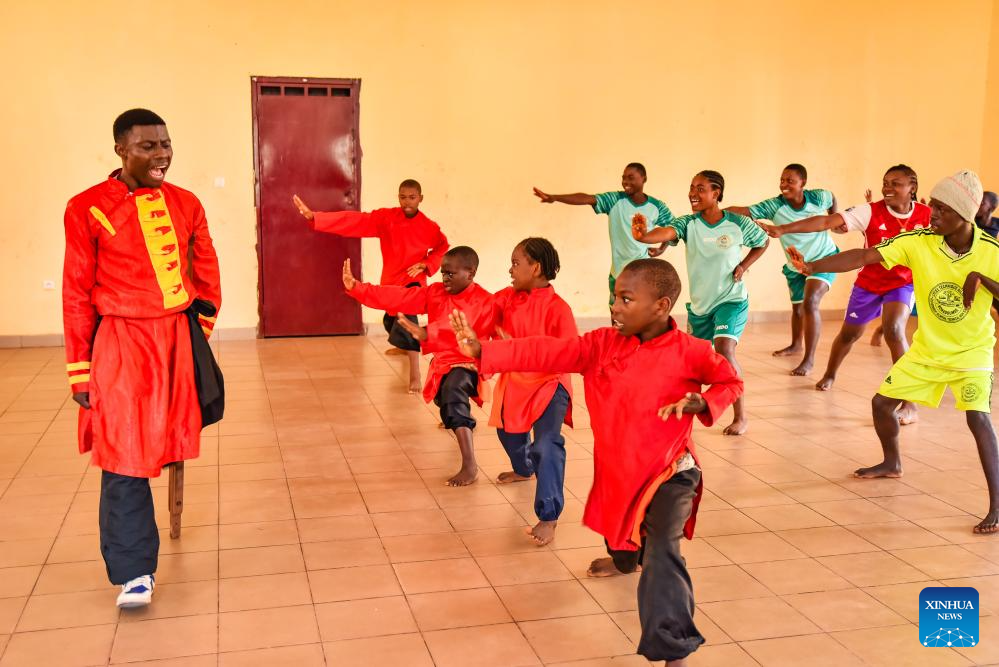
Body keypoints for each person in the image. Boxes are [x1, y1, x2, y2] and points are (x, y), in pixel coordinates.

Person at [449, 258, 742, 665]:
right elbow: (548, 350)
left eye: (626, 299)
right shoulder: (601, 345)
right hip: (619, 474)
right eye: (613, 298)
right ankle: (624, 560)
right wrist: (486, 350)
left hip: (671, 471)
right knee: (623, 544)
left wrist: (705, 401)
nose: (615, 307)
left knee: (662, 553)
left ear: (661, 305)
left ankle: (674, 648)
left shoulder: (692, 352)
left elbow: (731, 381)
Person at [63, 108, 222, 608]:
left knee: (172, 435)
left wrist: (200, 331)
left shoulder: (186, 203)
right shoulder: (87, 207)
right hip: (122, 344)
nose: (162, 155)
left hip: (177, 337)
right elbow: (75, 292)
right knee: (123, 452)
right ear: (120, 150)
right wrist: (80, 370)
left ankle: (160, 530)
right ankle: (135, 571)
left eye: (166, 145)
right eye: (149, 146)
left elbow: (207, 268)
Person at [788, 170, 999, 534]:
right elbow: (865, 255)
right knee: (881, 403)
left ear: (963, 214)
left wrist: (980, 279)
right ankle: (892, 462)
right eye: (932, 208)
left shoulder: (990, 252)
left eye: (940, 211)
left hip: (972, 353)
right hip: (928, 350)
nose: (930, 216)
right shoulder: (920, 241)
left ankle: (997, 506)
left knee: (977, 419)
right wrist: (813, 267)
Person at [760, 165, 927, 425]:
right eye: (885, 183)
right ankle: (829, 373)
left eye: (896, 183)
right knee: (849, 334)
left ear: (912, 187)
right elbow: (827, 222)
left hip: (902, 283)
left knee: (894, 330)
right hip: (870, 283)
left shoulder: (927, 216)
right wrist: (784, 229)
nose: (888, 188)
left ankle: (909, 404)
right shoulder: (871, 211)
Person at [341, 247, 495, 486]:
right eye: (443, 273)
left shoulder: (483, 300)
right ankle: (462, 419)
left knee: (454, 393)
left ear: (471, 273)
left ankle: (470, 465)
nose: (444, 278)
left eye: (451, 274)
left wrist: (426, 333)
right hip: (443, 362)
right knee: (446, 404)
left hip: (471, 363)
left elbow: (456, 329)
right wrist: (357, 288)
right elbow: (399, 296)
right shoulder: (435, 292)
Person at [632, 170, 769, 435]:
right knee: (693, 361)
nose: (693, 194)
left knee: (724, 348)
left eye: (700, 188)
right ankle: (682, 409)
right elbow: (666, 232)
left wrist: (743, 265)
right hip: (700, 306)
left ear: (716, 193)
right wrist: (643, 236)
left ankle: (741, 416)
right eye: (691, 188)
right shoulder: (688, 224)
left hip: (731, 299)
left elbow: (763, 242)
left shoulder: (738, 223)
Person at [293, 180, 449, 394]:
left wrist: (427, 264)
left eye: (412, 197)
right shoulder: (387, 219)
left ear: (421, 198)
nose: (407, 202)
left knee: (408, 320)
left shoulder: (429, 227)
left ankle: (415, 373)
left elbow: (443, 247)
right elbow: (354, 221)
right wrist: (316, 218)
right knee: (391, 321)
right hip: (391, 280)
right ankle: (403, 347)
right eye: (403, 197)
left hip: (414, 282)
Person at [492, 238, 577, 545]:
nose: (510, 270)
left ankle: (548, 515)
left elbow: (568, 353)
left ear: (536, 267)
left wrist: (517, 348)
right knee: (508, 435)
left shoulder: (558, 308)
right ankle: (523, 469)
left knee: (545, 445)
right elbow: (479, 313)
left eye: (516, 263)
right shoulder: (507, 298)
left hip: (549, 384)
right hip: (515, 382)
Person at [726, 164, 838, 375]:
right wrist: (716, 210)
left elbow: (832, 198)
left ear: (803, 183)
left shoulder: (818, 197)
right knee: (797, 308)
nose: (784, 185)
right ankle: (796, 345)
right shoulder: (774, 205)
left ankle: (809, 360)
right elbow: (745, 211)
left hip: (825, 258)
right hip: (795, 264)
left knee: (810, 301)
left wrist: (834, 219)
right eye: (782, 180)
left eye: (790, 181)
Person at [532, 163, 673, 305]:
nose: (626, 182)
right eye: (623, 178)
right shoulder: (615, 200)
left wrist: (662, 248)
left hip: (643, 273)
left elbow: (672, 229)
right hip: (618, 273)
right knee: (617, 312)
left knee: (640, 314)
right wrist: (555, 198)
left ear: (644, 179)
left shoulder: (656, 206)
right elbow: (587, 198)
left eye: (631, 178)